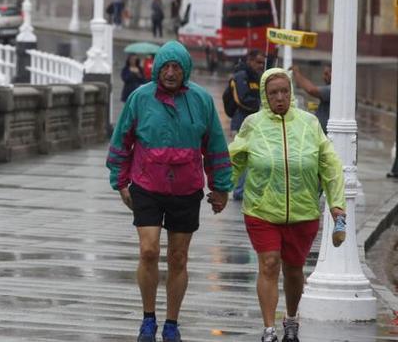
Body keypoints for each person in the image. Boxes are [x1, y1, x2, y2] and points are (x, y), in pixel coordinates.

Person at [108, 40, 232, 342]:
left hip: (186, 189)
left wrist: (221, 187)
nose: (171, 72)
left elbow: (215, 145)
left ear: (185, 69)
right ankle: (148, 319)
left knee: (178, 258)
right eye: (166, 66)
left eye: (177, 67)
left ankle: (172, 323)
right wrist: (120, 180)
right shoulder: (140, 98)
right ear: (157, 69)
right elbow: (122, 140)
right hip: (147, 185)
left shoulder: (201, 100)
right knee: (148, 250)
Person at [229, 68, 345, 342]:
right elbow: (234, 159)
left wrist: (336, 203)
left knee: (294, 270)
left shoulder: (309, 124)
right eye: (273, 93)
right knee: (269, 264)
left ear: (291, 93)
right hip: (261, 209)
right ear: (264, 96)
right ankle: (268, 329)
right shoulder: (252, 124)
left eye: (284, 91)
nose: (279, 97)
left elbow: (330, 164)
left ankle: (291, 319)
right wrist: (220, 189)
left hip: (303, 211)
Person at [228, 50, 266, 200]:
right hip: (240, 123)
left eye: (263, 63)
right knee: (240, 157)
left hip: (253, 124)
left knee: (253, 156)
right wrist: (261, 105)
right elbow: (242, 99)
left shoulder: (258, 77)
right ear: (249, 60)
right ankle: (239, 191)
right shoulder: (241, 76)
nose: (261, 66)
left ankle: (245, 189)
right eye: (258, 62)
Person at [290, 64, 332, 133]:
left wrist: (296, 73)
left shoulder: (333, 89)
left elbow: (311, 90)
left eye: (326, 74)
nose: (323, 77)